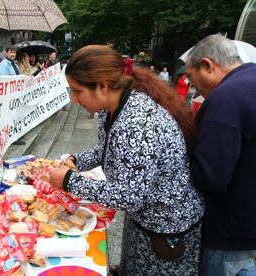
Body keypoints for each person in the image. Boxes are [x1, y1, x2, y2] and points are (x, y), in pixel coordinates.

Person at [48, 45, 204, 275]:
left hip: (167, 228)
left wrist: (70, 180)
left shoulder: (137, 124)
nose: (73, 100)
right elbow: (104, 150)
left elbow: (129, 195)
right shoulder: (110, 108)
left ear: (101, 86)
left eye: (77, 91)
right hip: (144, 218)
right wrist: (74, 161)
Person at [185, 34, 256, 275]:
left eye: (192, 79)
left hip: (228, 227)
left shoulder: (226, 97)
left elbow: (211, 176)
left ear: (207, 65)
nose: (195, 88)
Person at [0, 45, 26, 145]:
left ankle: (16, 135)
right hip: (8, 97)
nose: (13, 54)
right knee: (9, 117)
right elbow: (3, 82)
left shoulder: (15, 65)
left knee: (15, 116)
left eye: (14, 52)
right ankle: (12, 138)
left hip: (16, 95)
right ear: (6, 53)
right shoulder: (3, 65)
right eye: (11, 52)